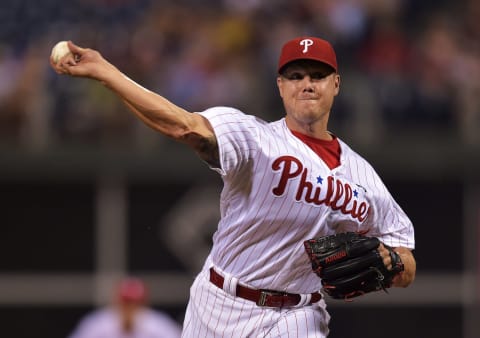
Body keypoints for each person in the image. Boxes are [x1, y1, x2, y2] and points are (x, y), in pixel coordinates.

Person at [51, 36, 416, 337]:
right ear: (280, 86)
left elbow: (405, 258)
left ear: (336, 84)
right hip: (217, 302)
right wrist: (105, 72)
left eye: (318, 76)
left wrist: (391, 261)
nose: (306, 84)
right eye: (296, 75)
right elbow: (183, 126)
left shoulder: (363, 177)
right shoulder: (253, 137)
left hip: (297, 316)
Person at [68, 277, 182, 338]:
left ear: (143, 305)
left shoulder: (157, 325)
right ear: (116, 302)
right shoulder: (98, 324)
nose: (130, 308)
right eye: (126, 303)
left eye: (135, 303)